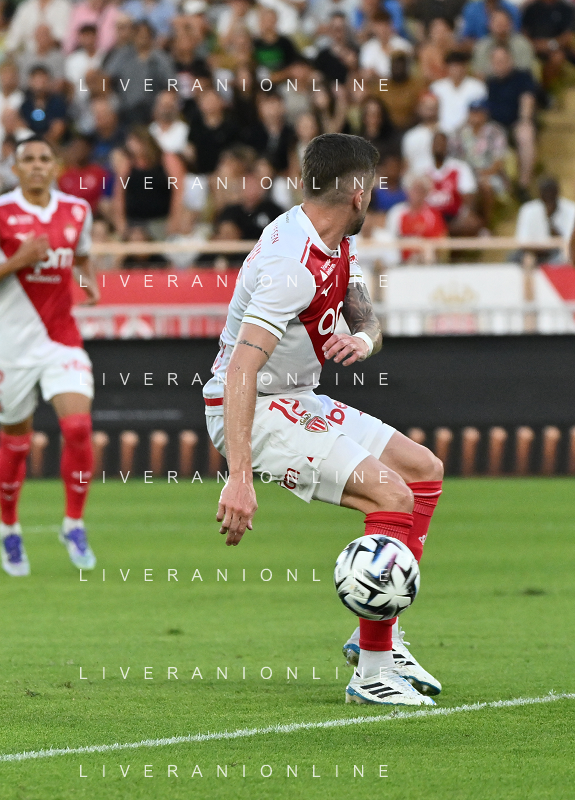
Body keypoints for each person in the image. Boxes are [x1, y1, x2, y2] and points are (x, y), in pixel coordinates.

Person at [209, 133, 445, 706]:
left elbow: (364, 314)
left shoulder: (334, 239)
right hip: (254, 406)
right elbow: (240, 369)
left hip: (297, 395)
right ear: (358, 193)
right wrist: (239, 475)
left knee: (422, 470)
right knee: (390, 496)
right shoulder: (290, 265)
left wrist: (361, 339)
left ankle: (378, 631)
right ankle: (373, 672)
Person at [0, 137, 100, 577]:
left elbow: (82, 255)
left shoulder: (77, 210)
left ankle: (73, 523)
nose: (37, 166)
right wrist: (17, 260)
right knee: (16, 444)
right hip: (12, 346)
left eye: (44, 159)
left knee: (78, 427)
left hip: (61, 338)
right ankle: (9, 528)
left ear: (55, 167)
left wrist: (88, 283)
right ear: (15, 169)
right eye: (28, 160)